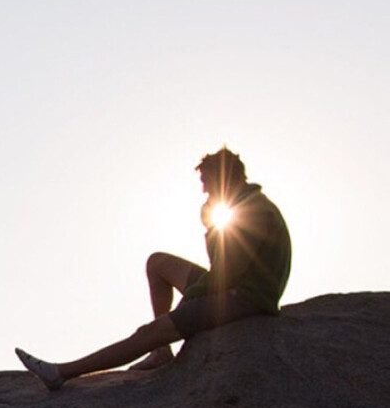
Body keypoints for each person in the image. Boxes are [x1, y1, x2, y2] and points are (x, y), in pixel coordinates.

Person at [15, 147, 292, 391]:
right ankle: (162, 352)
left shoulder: (252, 211)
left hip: (244, 298)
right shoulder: (244, 205)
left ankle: (61, 373)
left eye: (207, 184)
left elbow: (225, 274)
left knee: (149, 331)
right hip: (234, 284)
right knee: (157, 263)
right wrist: (210, 229)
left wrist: (188, 303)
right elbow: (222, 266)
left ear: (224, 178)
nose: (205, 191)